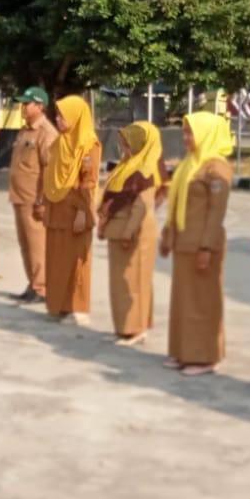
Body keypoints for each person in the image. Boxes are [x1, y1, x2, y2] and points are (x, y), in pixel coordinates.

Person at [161, 111, 233, 376]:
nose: (186, 138)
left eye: (190, 132)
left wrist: (206, 247)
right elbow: (176, 204)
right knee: (184, 301)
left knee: (203, 302)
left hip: (203, 244)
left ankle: (205, 357)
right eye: (184, 132)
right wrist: (168, 235)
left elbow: (217, 212)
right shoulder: (189, 163)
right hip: (184, 243)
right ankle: (184, 351)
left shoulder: (216, 167)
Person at [99, 120, 162, 346]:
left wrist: (127, 232)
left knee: (133, 282)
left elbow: (140, 208)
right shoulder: (127, 166)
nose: (123, 149)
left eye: (127, 144)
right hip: (119, 232)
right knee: (120, 283)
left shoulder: (144, 170)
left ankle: (136, 329)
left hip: (135, 234)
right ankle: (124, 327)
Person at [43, 95, 101, 326]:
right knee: (57, 259)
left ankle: (78, 309)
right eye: (56, 115)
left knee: (76, 261)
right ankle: (59, 305)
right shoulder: (60, 143)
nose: (58, 120)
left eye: (62, 116)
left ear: (76, 117)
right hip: (57, 208)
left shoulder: (88, 145)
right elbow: (50, 176)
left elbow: (89, 182)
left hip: (76, 210)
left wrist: (82, 212)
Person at [8, 87, 58, 303]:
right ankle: (33, 284)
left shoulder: (47, 133)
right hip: (19, 197)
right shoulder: (25, 131)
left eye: (27, 104)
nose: (23, 107)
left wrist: (41, 200)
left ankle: (42, 288)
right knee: (25, 244)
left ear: (39, 106)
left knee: (37, 245)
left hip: (33, 200)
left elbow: (49, 169)